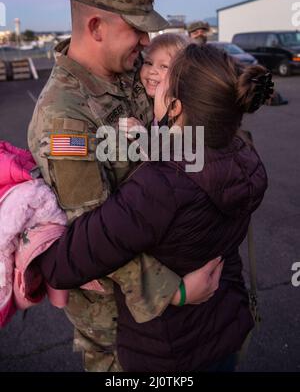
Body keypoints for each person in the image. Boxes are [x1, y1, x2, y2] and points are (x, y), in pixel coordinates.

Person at [28, 0, 222, 372]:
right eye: (135, 28)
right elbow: (93, 233)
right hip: (118, 323)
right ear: (96, 27)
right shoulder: (66, 117)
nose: (146, 39)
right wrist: (176, 292)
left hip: (168, 302)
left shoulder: (132, 72)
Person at [37, 43, 272, 372]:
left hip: (168, 354)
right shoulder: (243, 153)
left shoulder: (159, 187)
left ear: (174, 106)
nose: (151, 80)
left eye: (164, 78)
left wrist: (30, 222)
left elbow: (62, 265)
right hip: (224, 329)